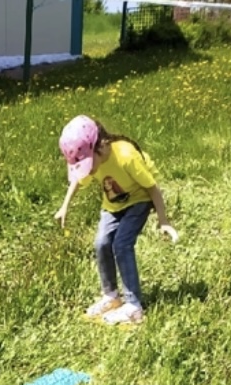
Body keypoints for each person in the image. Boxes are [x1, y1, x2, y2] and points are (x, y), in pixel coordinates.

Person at [54, 115, 179, 325]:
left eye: (87, 164)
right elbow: (77, 178)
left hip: (139, 199)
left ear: (99, 145)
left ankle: (133, 307)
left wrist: (163, 220)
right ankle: (111, 297)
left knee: (121, 244)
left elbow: (151, 187)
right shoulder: (93, 159)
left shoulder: (126, 156)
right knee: (102, 243)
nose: (89, 170)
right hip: (112, 205)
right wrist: (65, 206)